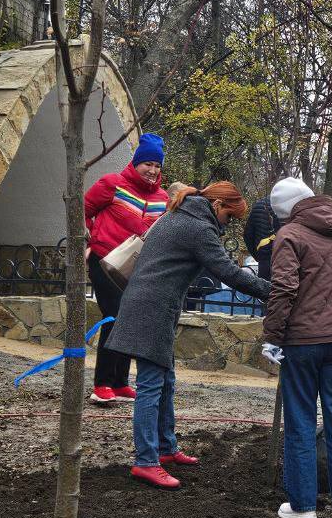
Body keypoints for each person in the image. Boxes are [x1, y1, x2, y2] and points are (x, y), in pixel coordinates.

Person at [110, 182, 270, 489]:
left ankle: (166, 448)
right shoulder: (198, 227)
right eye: (230, 217)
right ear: (218, 205)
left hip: (153, 305)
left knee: (165, 380)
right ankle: (146, 461)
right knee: (150, 386)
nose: (228, 224)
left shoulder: (178, 214)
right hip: (152, 308)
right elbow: (228, 272)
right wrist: (272, 291)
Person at [262, 178, 332, 518]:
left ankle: (303, 507)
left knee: (301, 422)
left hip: (303, 342)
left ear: (285, 211)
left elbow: (284, 287)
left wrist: (272, 336)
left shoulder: (289, 235)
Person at [82, 132, 170, 405]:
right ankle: (102, 383)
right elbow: (82, 209)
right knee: (115, 316)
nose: (152, 170)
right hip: (104, 260)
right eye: (147, 164)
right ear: (136, 163)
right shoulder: (112, 184)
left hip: (135, 267)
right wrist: (88, 240)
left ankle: (120, 383)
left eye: (157, 165)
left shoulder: (163, 197)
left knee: (129, 319)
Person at [243, 194, 279, 281]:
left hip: (264, 259)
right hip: (286, 258)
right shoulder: (293, 204)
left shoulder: (259, 204)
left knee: (265, 286)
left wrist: (258, 256)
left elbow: (248, 234)